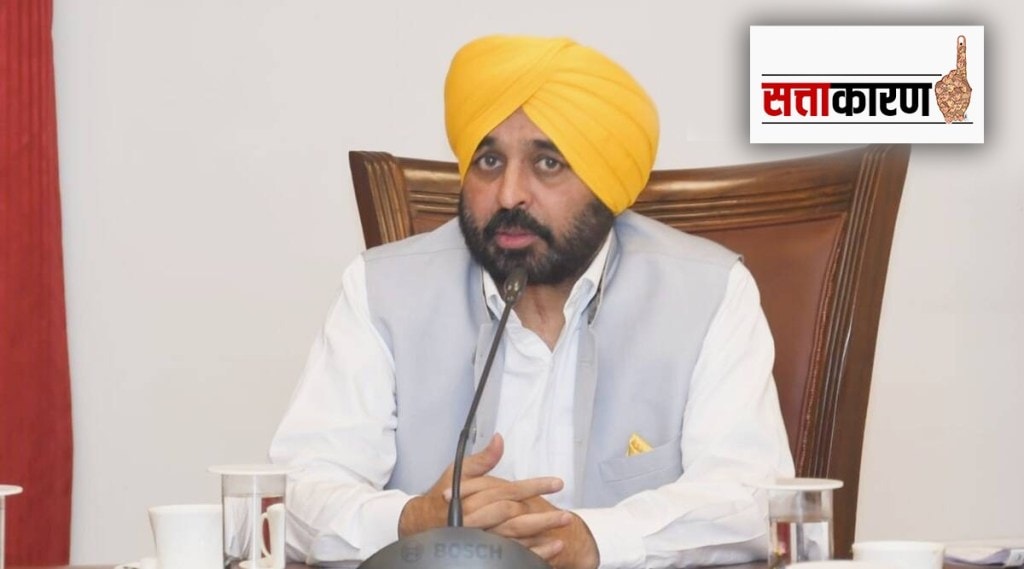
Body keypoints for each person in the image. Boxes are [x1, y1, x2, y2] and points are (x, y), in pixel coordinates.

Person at [269, 34, 794, 569]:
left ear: (606, 182)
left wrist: (591, 540)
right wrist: (413, 522)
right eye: (488, 160)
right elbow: (296, 493)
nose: (508, 194)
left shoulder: (708, 292)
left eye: (547, 163)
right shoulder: (382, 290)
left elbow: (754, 497)